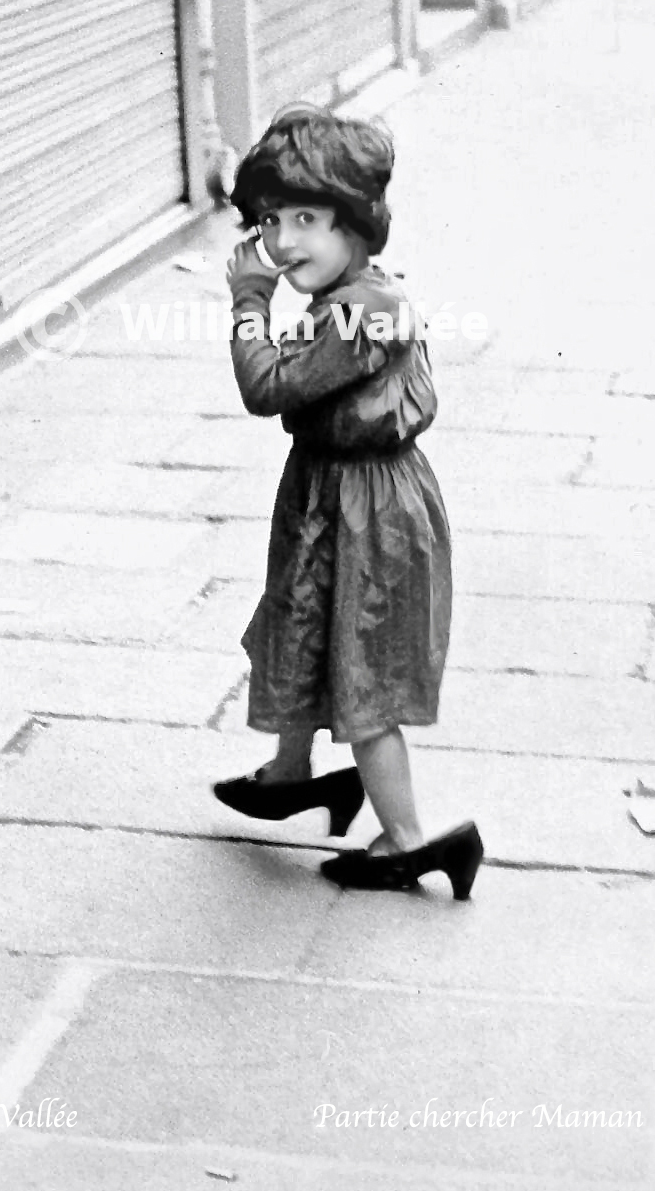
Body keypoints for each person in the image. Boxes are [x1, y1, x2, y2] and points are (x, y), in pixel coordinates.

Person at [212, 106, 483, 899]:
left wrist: (248, 301)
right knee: (299, 621)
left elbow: (267, 387)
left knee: (361, 671)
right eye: (270, 220)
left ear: (355, 221)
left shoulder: (367, 308)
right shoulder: (346, 296)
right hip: (327, 489)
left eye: (305, 217)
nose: (283, 240)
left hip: (370, 506)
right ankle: (294, 772)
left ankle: (413, 840)